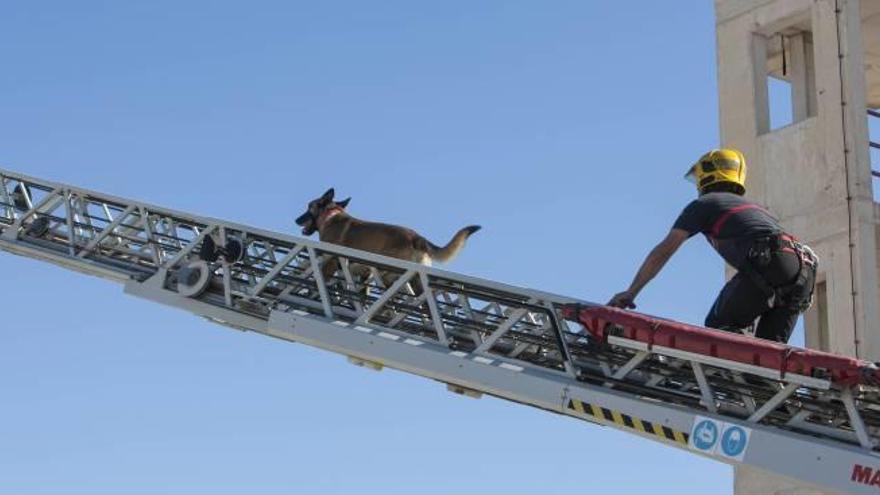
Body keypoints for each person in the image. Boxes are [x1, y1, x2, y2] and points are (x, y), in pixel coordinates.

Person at [607, 148, 817, 343]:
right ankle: (759, 382)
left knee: (719, 328)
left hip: (769, 263)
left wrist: (631, 292)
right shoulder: (756, 209)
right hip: (802, 272)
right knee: (769, 357)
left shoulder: (706, 204)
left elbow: (664, 250)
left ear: (708, 174)